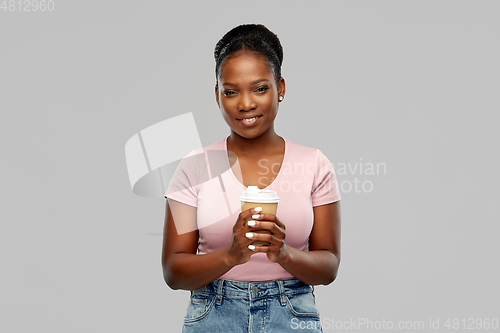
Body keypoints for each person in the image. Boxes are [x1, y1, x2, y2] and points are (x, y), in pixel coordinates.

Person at [162, 23, 341, 333]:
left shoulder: (314, 164)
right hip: (213, 316)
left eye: (260, 88)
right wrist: (230, 255)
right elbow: (173, 271)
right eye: (231, 92)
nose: (245, 104)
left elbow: (329, 266)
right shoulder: (194, 167)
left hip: (292, 315)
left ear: (280, 88)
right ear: (217, 95)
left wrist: (284, 254)